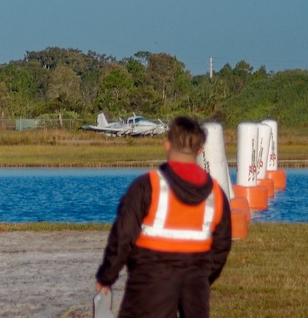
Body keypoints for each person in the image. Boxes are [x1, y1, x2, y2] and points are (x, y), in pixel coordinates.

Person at [95, 116, 232, 318]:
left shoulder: (147, 185)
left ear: (167, 145)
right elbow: (221, 246)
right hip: (195, 281)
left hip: (149, 280)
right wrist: (202, 277)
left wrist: (107, 276)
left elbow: (123, 236)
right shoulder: (217, 194)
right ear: (200, 150)